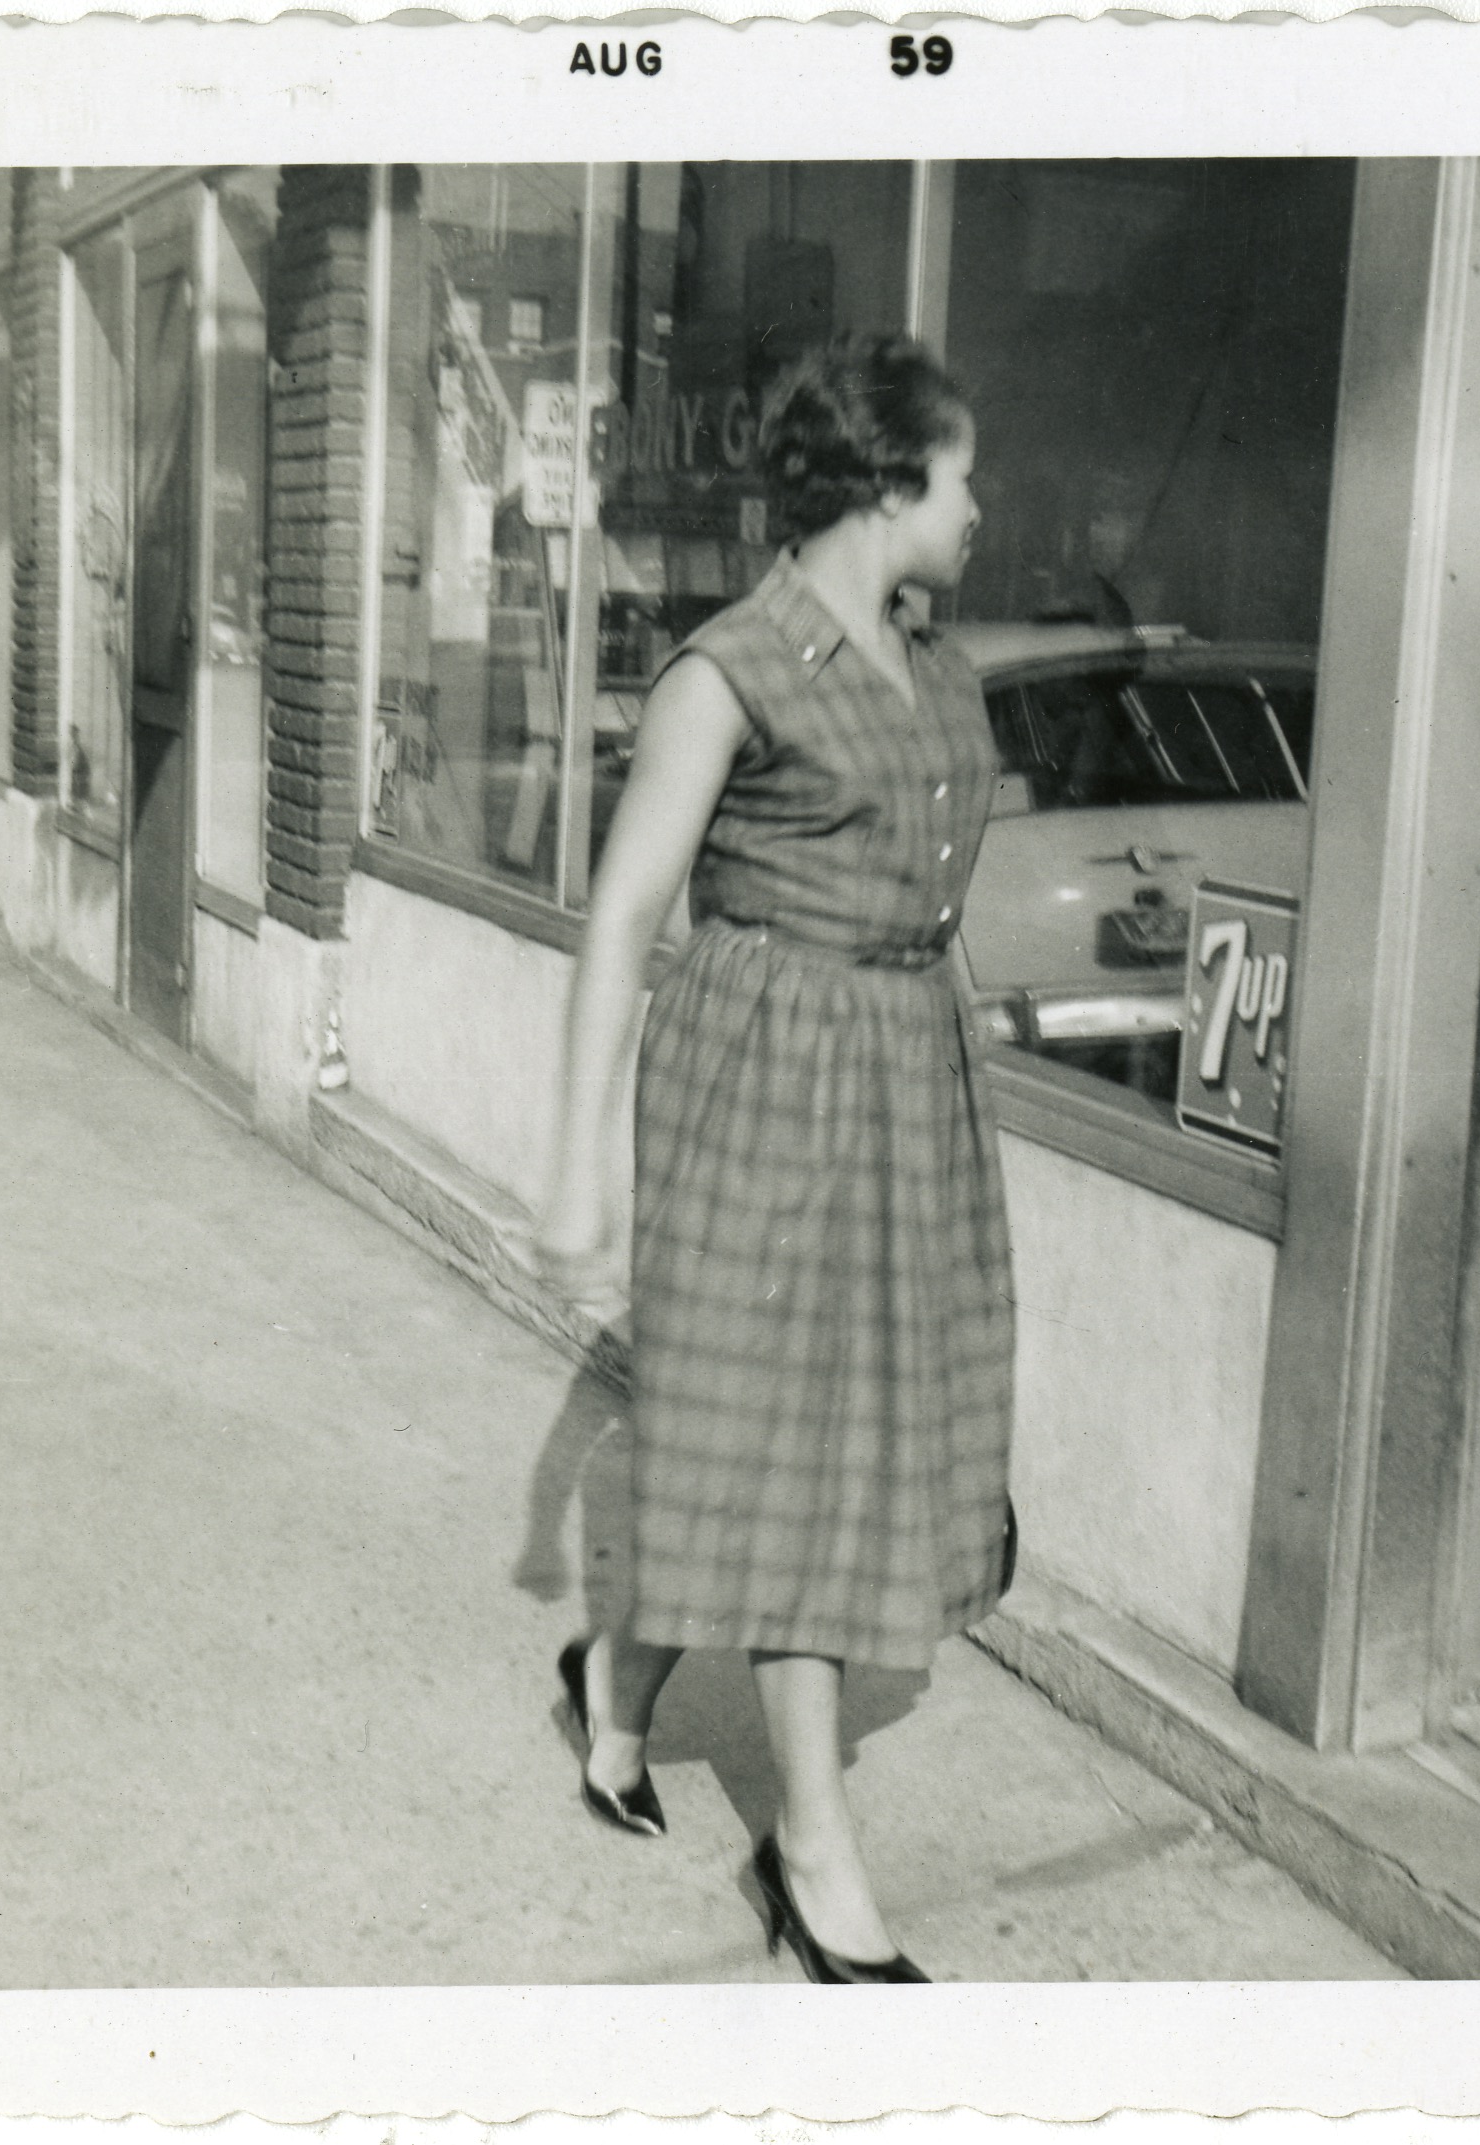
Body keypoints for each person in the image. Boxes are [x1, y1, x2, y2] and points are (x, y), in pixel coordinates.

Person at [533, 333, 1014, 1985]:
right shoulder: (725, 670)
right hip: (762, 1083)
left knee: (786, 1435)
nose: (982, 505)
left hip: (902, 1088)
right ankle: (809, 1852)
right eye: (962, 475)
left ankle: (618, 1669)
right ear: (889, 487)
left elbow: (921, 875)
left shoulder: (934, 664)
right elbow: (618, 921)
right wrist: (580, 1177)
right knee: (800, 1453)